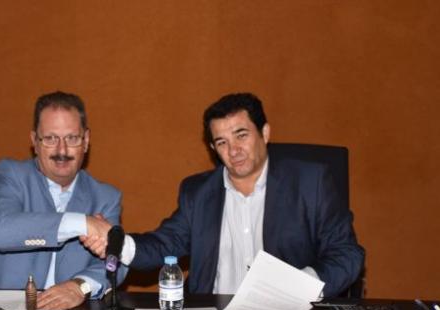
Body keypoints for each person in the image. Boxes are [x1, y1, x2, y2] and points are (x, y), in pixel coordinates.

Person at [83, 92, 364, 298]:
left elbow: (347, 254)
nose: (234, 150)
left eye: (242, 135)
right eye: (222, 142)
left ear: (265, 133)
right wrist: (116, 242)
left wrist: (301, 286)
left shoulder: (310, 183)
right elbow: (164, 244)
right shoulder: (198, 192)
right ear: (213, 148)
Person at [0, 91, 118, 310]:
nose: (62, 150)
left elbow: (115, 263)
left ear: (86, 141)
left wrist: (80, 286)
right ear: (34, 141)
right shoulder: (11, 174)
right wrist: (82, 223)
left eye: (72, 138)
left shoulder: (106, 197)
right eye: (50, 138)